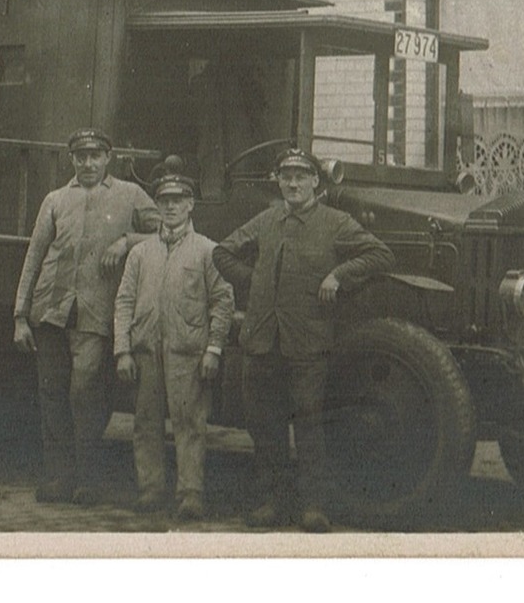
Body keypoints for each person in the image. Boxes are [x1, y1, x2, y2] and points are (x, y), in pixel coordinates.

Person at [213, 146, 394, 532]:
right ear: (278, 181)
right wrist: (255, 283)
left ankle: (313, 506)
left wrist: (339, 275)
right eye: (286, 176)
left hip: (308, 340)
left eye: (301, 176)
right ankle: (271, 503)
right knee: (265, 427)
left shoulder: (335, 221)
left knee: (310, 426)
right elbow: (223, 253)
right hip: (262, 338)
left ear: (315, 181)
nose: (293, 183)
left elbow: (380, 254)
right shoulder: (266, 219)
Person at [13, 128, 160, 504]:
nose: (88, 163)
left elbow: (168, 231)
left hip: (96, 313)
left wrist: (127, 240)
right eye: (81, 156)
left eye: (96, 155)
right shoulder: (56, 200)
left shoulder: (130, 195)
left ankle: (88, 481)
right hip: (52, 310)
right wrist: (20, 315)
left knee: (85, 393)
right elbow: (34, 256)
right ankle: (59, 479)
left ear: (108, 157)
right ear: (72, 160)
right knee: (52, 394)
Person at [113, 173, 235, 520]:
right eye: (164, 201)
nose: (170, 207)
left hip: (188, 353)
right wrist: (122, 349)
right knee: (146, 422)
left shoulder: (207, 251)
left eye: (178, 200)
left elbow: (222, 302)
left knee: (190, 423)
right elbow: (124, 301)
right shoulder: (141, 253)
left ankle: (190, 493)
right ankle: (151, 489)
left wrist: (213, 349)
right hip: (146, 352)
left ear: (190, 205)